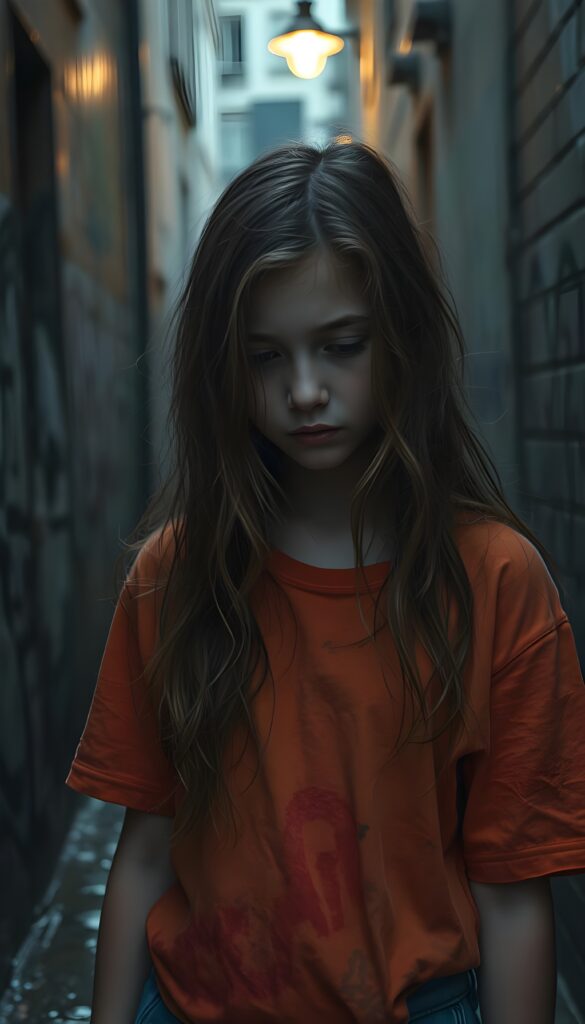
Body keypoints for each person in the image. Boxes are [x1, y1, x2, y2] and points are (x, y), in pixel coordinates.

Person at [65, 140, 585, 1024]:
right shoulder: (172, 578)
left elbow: (512, 888)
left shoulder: (496, 580)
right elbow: (145, 850)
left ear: (402, 337)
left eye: (340, 346)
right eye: (265, 357)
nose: (304, 389)